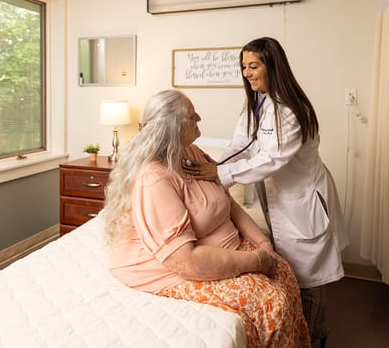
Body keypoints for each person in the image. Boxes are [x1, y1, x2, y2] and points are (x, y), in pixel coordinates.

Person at [103, 89, 310, 348]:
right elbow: (186, 261)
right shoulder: (153, 179)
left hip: (220, 249)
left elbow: (230, 205)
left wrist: (263, 245)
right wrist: (256, 260)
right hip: (172, 269)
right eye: (192, 116)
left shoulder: (192, 153)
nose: (199, 117)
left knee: (284, 272)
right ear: (174, 127)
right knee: (271, 301)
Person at [182, 37, 349, 348]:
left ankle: (313, 338)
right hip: (280, 201)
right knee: (293, 273)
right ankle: (311, 333)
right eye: (244, 66)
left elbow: (271, 158)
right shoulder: (256, 102)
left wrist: (219, 174)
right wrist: (214, 169)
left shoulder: (289, 109)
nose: (247, 72)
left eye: (253, 65)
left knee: (309, 280)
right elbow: (239, 145)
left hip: (302, 202)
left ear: (273, 66)